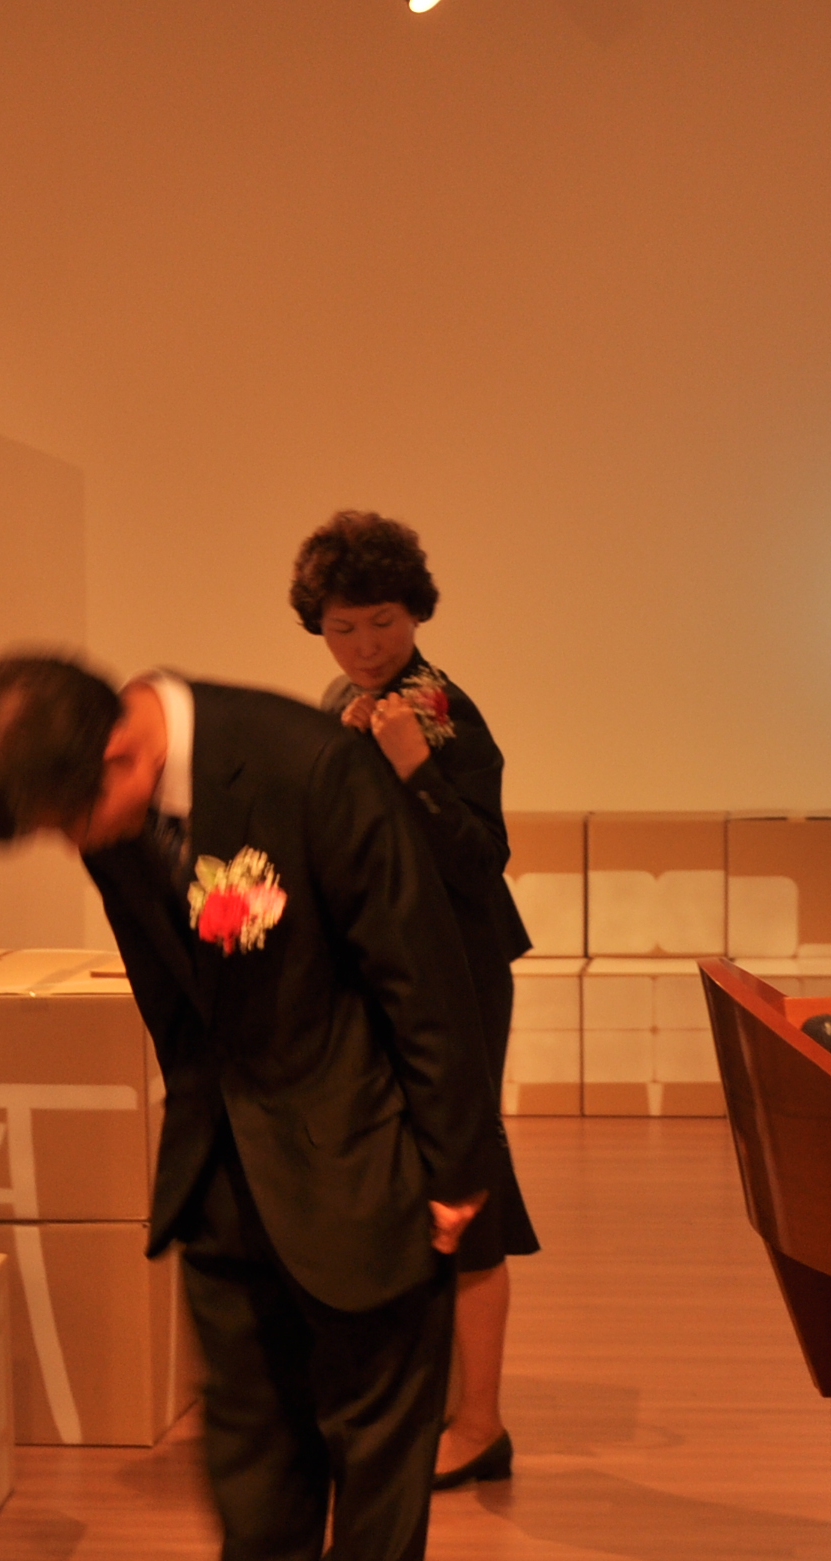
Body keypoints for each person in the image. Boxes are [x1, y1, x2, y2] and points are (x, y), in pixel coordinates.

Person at [0, 653, 497, 1561]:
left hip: (362, 1164)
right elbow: (174, 999)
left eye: (67, 821)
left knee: (374, 1480)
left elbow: (424, 974)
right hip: (225, 1174)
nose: (73, 844)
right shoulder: (112, 812)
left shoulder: (311, 771)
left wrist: (458, 1169)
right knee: (252, 1478)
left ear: (121, 753)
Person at [291, 511, 536, 1487]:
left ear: (416, 613)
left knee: (463, 1184)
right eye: (343, 629)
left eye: (383, 623)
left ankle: (481, 1424)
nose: (365, 647)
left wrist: (413, 766)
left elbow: (480, 861)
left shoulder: (441, 712)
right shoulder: (342, 700)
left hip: (457, 978)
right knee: (398, 1186)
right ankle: (423, 1400)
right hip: (384, 976)